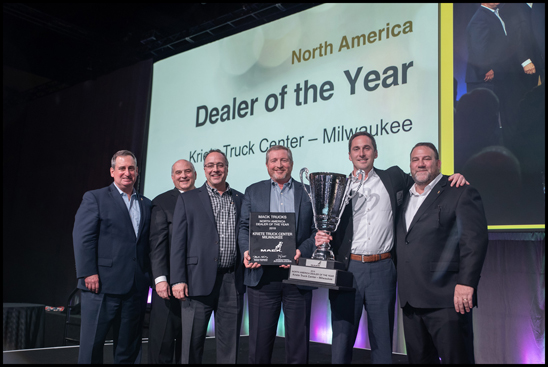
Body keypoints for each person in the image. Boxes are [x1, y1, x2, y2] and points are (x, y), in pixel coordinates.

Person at [315, 132, 468, 364]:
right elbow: (324, 223)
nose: (362, 153)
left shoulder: (394, 178)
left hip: (383, 270)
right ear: (349, 155)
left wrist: (450, 178)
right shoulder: (339, 188)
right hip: (348, 270)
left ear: (375, 153)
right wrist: (319, 237)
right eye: (356, 149)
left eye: (367, 148)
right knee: (342, 338)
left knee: (382, 341)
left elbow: (424, 178)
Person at [396, 143, 488, 364]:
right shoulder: (403, 196)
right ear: (410, 165)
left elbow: (474, 241)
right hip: (411, 302)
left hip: (447, 300)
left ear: (438, 163)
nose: (420, 164)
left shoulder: (460, 190)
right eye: (415, 160)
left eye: (426, 159)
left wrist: (467, 283)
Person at [238, 145, 316, 364]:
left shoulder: (308, 191)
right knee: (259, 348)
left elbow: (316, 230)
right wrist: (247, 250)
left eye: (283, 160)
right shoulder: (253, 191)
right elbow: (244, 227)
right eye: (273, 161)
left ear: (291, 163)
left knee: (298, 347)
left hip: (298, 275)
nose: (279, 165)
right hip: (262, 278)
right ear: (266, 165)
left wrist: (300, 251)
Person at [73, 150, 152, 364]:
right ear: (112, 171)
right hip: (101, 286)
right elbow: (83, 238)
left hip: (135, 288)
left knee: (129, 348)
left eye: (131, 168)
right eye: (122, 168)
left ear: (137, 172)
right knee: (92, 347)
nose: (127, 173)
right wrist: (88, 272)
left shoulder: (146, 203)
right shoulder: (95, 197)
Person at [170, 149, 245, 364]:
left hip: (232, 281)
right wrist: (178, 279)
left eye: (220, 165)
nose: (215, 169)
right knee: (191, 345)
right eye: (210, 165)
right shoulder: (188, 199)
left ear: (227, 168)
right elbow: (178, 243)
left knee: (229, 345)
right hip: (196, 280)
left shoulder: (239, 199)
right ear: (203, 170)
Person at [148, 159, 197, 364]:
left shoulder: (205, 199)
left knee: (190, 345)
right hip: (167, 286)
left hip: (197, 283)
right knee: (163, 343)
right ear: (172, 177)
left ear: (195, 174)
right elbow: (157, 244)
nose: (183, 176)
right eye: (178, 172)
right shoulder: (162, 202)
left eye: (187, 171)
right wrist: (160, 279)